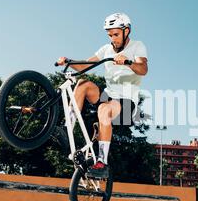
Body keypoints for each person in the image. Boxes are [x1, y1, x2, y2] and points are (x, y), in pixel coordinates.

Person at [56, 13, 148, 178]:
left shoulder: (137, 46)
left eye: (116, 34)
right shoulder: (106, 49)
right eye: (110, 35)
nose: (113, 38)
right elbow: (86, 65)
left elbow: (143, 69)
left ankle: (102, 162)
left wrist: (127, 62)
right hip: (108, 96)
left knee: (104, 109)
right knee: (83, 84)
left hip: (126, 103)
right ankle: (67, 128)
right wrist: (69, 61)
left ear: (126, 31)